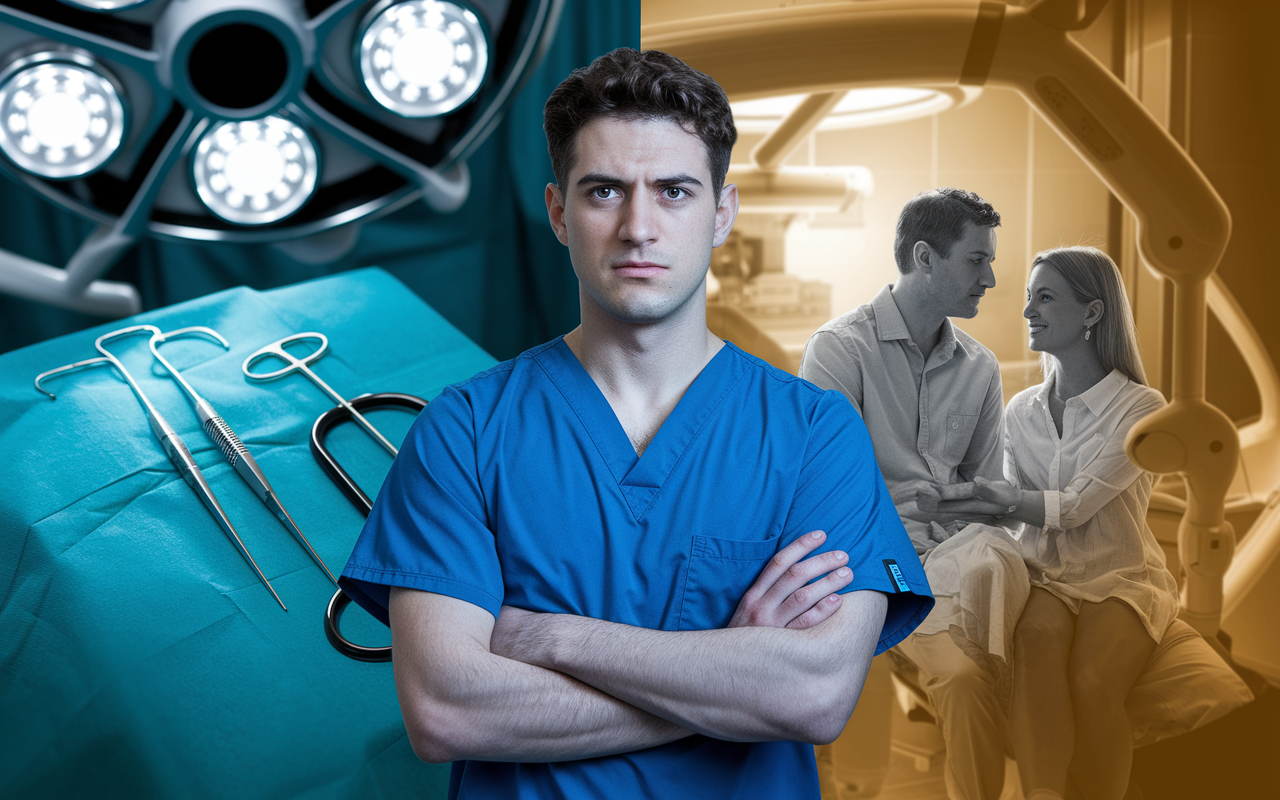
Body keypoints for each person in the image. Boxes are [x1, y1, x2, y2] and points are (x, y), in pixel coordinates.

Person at [338, 48, 932, 799]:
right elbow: (448, 711)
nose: (638, 226)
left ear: (722, 214)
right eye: (605, 191)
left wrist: (552, 637)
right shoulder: (465, 431)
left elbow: (814, 697)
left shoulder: (816, 432)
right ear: (559, 213)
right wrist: (732, 673)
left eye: (675, 191)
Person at [799, 188, 1029, 800]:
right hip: (873, 567)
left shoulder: (980, 368)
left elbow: (990, 500)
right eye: (976, 260)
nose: (991, 277)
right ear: (925, 258)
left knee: (1053, 649)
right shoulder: (839, 351)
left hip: (959, 562)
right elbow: (828, 499)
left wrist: (965, 534)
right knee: (963, 679)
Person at [924, 246, 1177, 800]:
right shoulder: (1021, 412)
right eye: (1028, 298)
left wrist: (1004, 498)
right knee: (1035, 647)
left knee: (1091, 683)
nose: (1028, 311)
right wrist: (949, 500)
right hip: (1046, 575)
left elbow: (1076, 505)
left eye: (1045, 297)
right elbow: (1006, 506)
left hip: (1119, 576)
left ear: (1091, 313)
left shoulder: (1140, 408)